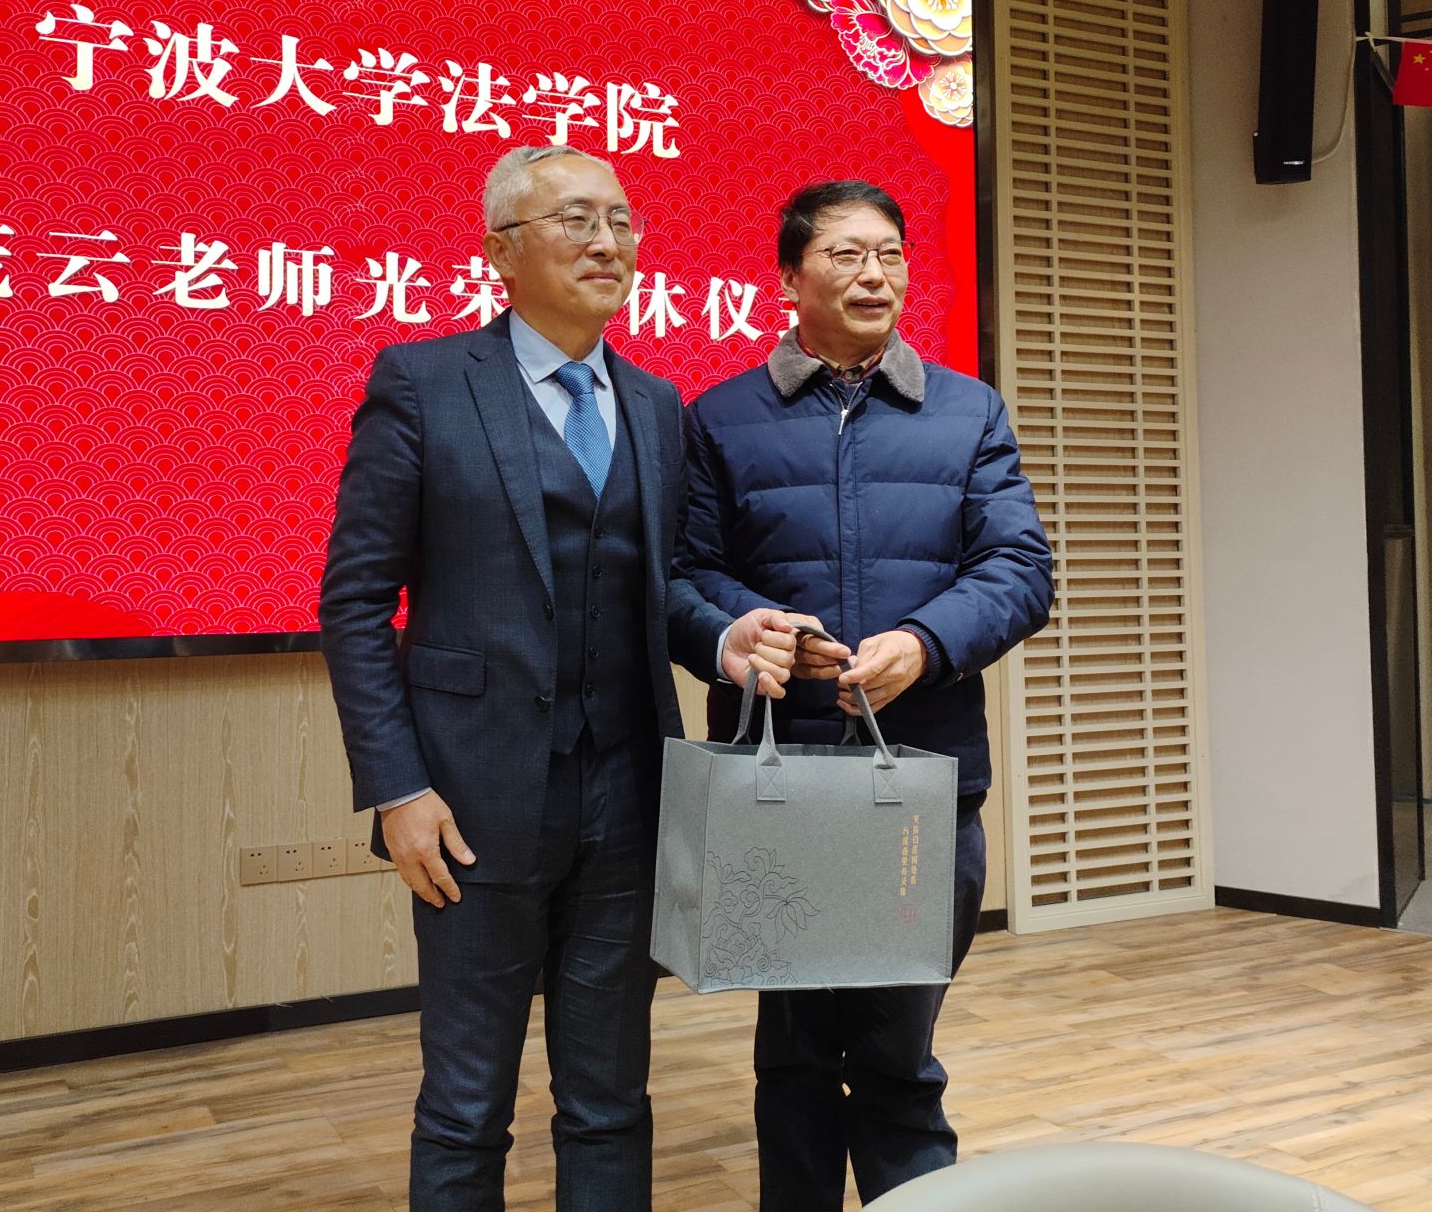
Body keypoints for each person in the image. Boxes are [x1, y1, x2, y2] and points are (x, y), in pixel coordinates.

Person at [320, 143, 787, 1211]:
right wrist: (397, 788)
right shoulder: (423, 383)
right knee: (465, 1104)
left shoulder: (657, 404)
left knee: (610, 1098)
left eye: (620, 220)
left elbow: (657, 588)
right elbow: (355, 602)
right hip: (468, 801)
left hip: (625, 799)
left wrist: (725, 640)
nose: (606, 241)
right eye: (575, 219)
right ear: (500, 252)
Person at [671, 178, 1054, 1209]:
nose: (874, 274)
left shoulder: (967, 412)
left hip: (921, 783)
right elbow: (682, 577)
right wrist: (750, 628)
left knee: (898, 1054)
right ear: (788, 278)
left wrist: (924, 644)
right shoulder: (719, 419)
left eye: (889, 253)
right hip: (778, 778)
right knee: (794, 1053)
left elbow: (1020, 570)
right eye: (844, 254)